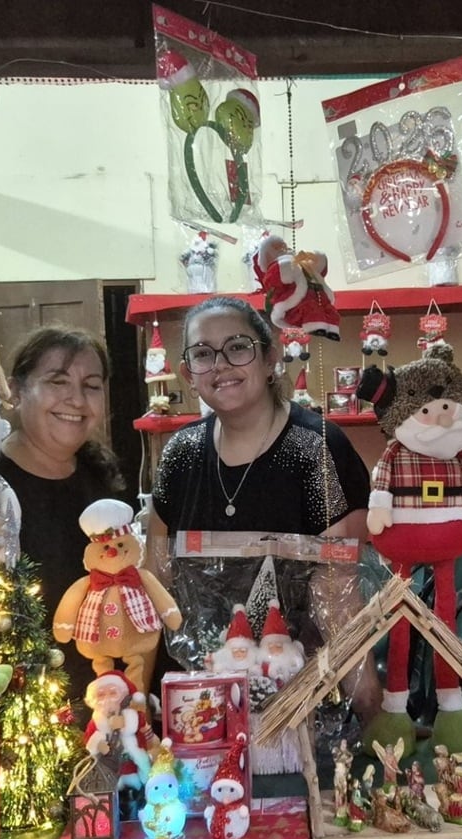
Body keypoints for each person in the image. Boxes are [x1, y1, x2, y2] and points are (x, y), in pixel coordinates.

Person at [150, 295, 378, 718]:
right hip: (201, 696)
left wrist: (366, 703)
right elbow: (158, 577)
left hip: (302, 694)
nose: (220, 364)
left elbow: (338, 591)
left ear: (270, 355)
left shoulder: (314, 449)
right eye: (202, 353)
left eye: (237, 347)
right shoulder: (181, 454)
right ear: (187, 373)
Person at [0, 325, 125, 704]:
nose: (76, 399)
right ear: (17, 392)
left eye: (91, 385)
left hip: (109, 701)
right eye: (58, 382)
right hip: (28, 714)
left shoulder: (100, 477)